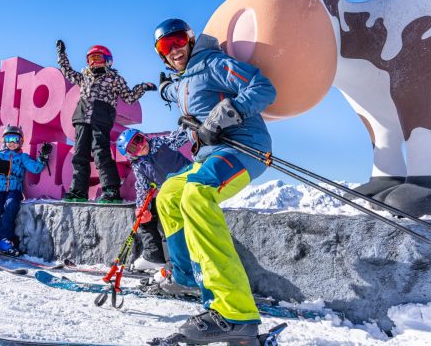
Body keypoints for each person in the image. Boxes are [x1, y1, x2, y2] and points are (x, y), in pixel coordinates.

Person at [151, 18, 277, 344]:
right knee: (169, 194)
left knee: (196, 194)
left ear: (191, 40)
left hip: (244, 148)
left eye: (178, 40)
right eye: (165, 46)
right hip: (209, 155)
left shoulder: (213, 63)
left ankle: (233, 313)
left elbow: (262, 87)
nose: (174, 49)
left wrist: (224, 115)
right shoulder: (183, 80)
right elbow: (178, 90)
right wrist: (167, 88)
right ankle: (186, 276)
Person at [56, 39, 157, 203]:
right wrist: (62, 54)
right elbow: (67, 71)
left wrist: (142, 88)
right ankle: (78, 191)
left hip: (101, 117)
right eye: (91, 59)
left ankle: (111, 189)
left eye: (98, 58)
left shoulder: (114, 79)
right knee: (80, 154)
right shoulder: (84, 77)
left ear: (108, 61)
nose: (94, 62)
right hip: (82, 117)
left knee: (100, 152)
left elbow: (129, 97)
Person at [0, 125, 52, 256]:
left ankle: (2, 240)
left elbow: (35, 168)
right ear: (4, 141)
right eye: (8, 139)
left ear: (21, 141)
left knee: (11, 206)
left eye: (15, 139)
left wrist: (43, 157)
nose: (12, 142)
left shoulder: (22, 157)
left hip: (14, 190)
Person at [116, 128, 190, 271]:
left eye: (139, 139)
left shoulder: (161, 143)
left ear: (144, 136)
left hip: (190, 184)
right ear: (130, 155)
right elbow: (143, 188)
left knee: (171, 217)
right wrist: (142, 208)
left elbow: (181, 136)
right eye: (133, 148)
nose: (140, 146)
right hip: (171, 196)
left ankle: (176, 264)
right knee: (156, 214)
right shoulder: (140, 166)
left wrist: (190, 126)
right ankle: (158, 258)